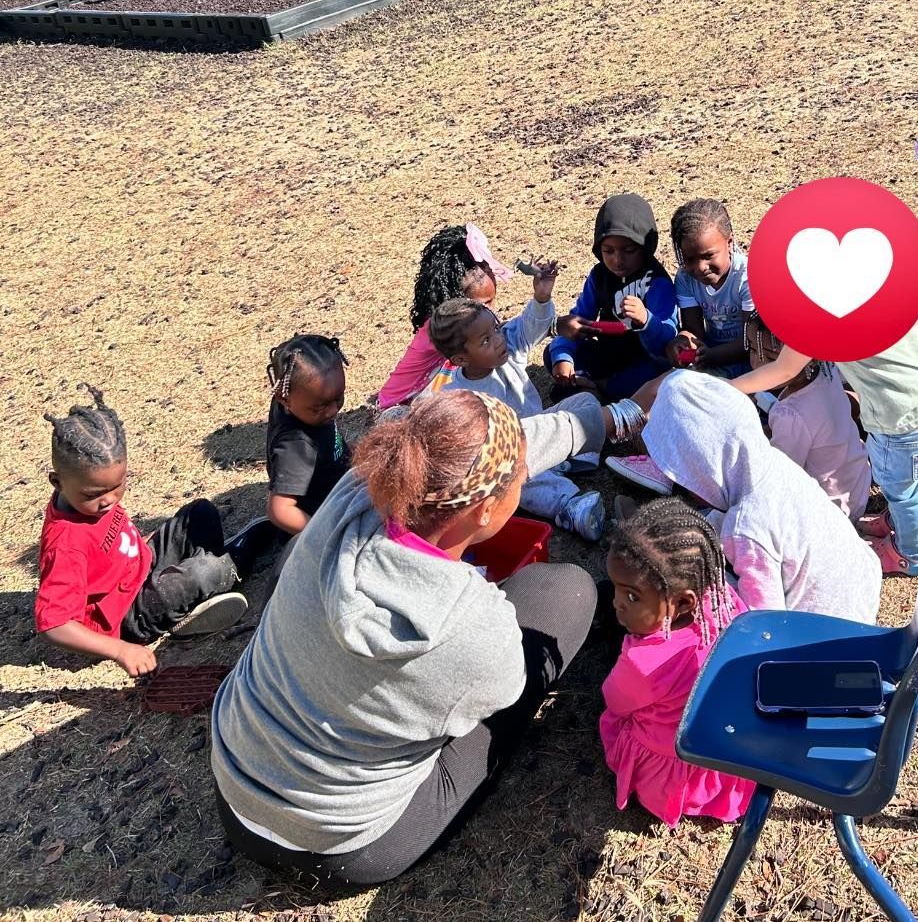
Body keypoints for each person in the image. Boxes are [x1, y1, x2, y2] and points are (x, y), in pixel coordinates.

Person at [210, 391, 597, 887]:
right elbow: (502, 684)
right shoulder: (475, 630)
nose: (525, 478)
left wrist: (600, 420)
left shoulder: (360, 486)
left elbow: (493, 456)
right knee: (566, 591)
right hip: (345, 845)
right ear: (483, 511)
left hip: (237, 786)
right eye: (520, 479)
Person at [36, 386, 260, 677]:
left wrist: (145, 546)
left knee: (200, 513)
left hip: (139, 568)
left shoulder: (90, 500)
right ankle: (217, 575)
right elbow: (53, 624)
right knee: (205, 572)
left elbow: (110, 545)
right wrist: (120, 650)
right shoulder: (65, 543)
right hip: (126, 614)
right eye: (95, 494)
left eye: (118, 486)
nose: (109, 500)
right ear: (57, 482)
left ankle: (202, 581)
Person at [639, 370, 882, 623]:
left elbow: (765, 624)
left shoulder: (746, 529)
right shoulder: (771, 464)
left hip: (824, 635)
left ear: (705, 468)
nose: (687, 488)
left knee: (706, 601)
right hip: (857, 591)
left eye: (686, 478)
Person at [425, 259, 618, 541]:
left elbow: (531, 325)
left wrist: (541, 296)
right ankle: (569, 506)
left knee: (585, 402)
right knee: (519, 480)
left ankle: (568, 458)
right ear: (461, 359)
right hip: (516, 455)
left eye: (495, 329)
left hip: (543, 428)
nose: (498, 340)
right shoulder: (460, 397)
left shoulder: (509, 348)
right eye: (485, 341)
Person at [600, 499, 755, 827]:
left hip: (672, 769)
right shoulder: (725, 602)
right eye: (615, 588)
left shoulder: (644, 664)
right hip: (722, 754)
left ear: (683, 602)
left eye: (631, 596)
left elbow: (614, 700)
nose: (615, 602)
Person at [836, 293, 918, 577]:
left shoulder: (834, 317)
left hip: (901, 427)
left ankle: (912, 555)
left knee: (904, 493)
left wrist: (737, 387)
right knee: (911, 480)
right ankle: (897, 521)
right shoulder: (893, 290)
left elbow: (788, 367)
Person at [547, 194, 678, 402]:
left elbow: (668, 340)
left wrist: (646, 320)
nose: (618, 260)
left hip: (643, 360)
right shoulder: (599, 276)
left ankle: (595, 388)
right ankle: (586, 385)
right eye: (608, 251)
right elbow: (578, 321)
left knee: (658, 375)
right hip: (608, 353)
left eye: (629, 250)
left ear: (645, 247)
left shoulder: (657, 281)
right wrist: (563, 357)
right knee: (552, 353)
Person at [741, 313, 871, 522]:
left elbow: (779, 473)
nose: (757, 362)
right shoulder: (826, 370)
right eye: (753, 349)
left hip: (830, 511)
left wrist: (752, 435)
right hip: (857, 484)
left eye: (772, 358)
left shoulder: (790, 416)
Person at [377, 224, 508, 409]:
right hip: (400, 409)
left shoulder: (463, 322)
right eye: (485, 304)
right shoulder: (441, 329)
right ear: (456, 301)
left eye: (492, 300)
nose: (492, 311)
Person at [265, 334, 350, 538]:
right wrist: (325, 534)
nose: (332, 411)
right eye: (319, 407)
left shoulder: (296, 399)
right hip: (325, 515)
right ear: (283, 398)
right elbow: (279, 509)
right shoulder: (296, 445)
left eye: (338, 398)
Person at [665, 199, 754, 377]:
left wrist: (711, 356)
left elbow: (750, 339)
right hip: (712, 355)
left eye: (708, 256)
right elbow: (694, 329)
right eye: (689, 259)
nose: (700, 268)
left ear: (729, 243)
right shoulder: (685, 278)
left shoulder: (746, 277)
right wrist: (682, 341)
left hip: (752, 360)